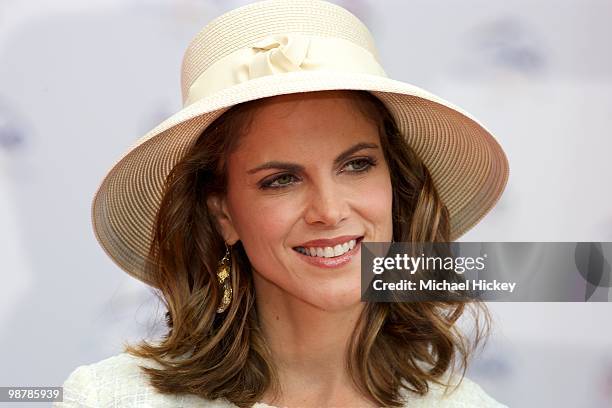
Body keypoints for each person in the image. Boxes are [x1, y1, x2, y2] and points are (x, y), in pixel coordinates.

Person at [56, 0, 509, 407]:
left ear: (395, 182)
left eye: (356, 165)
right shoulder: (111, 400)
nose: (329, 212)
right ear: (223, 214)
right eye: (282, 180)